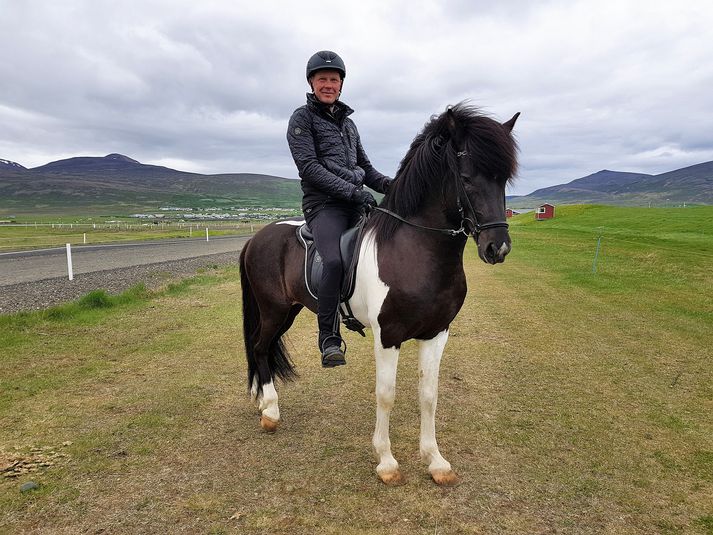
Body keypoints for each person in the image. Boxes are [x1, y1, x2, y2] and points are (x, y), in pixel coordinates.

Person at [287, 50, 392, 368]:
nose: (328, 84)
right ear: (312, 82)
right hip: (324, 206)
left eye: (334, 79)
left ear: (341, 84)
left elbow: (368, 169)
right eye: (322, 79)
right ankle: (329, 338)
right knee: (333, 261)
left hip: (355, 201)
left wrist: (398, 186)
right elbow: (309, 167)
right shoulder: (301, 119)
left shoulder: (350, 126)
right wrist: (353, 192)